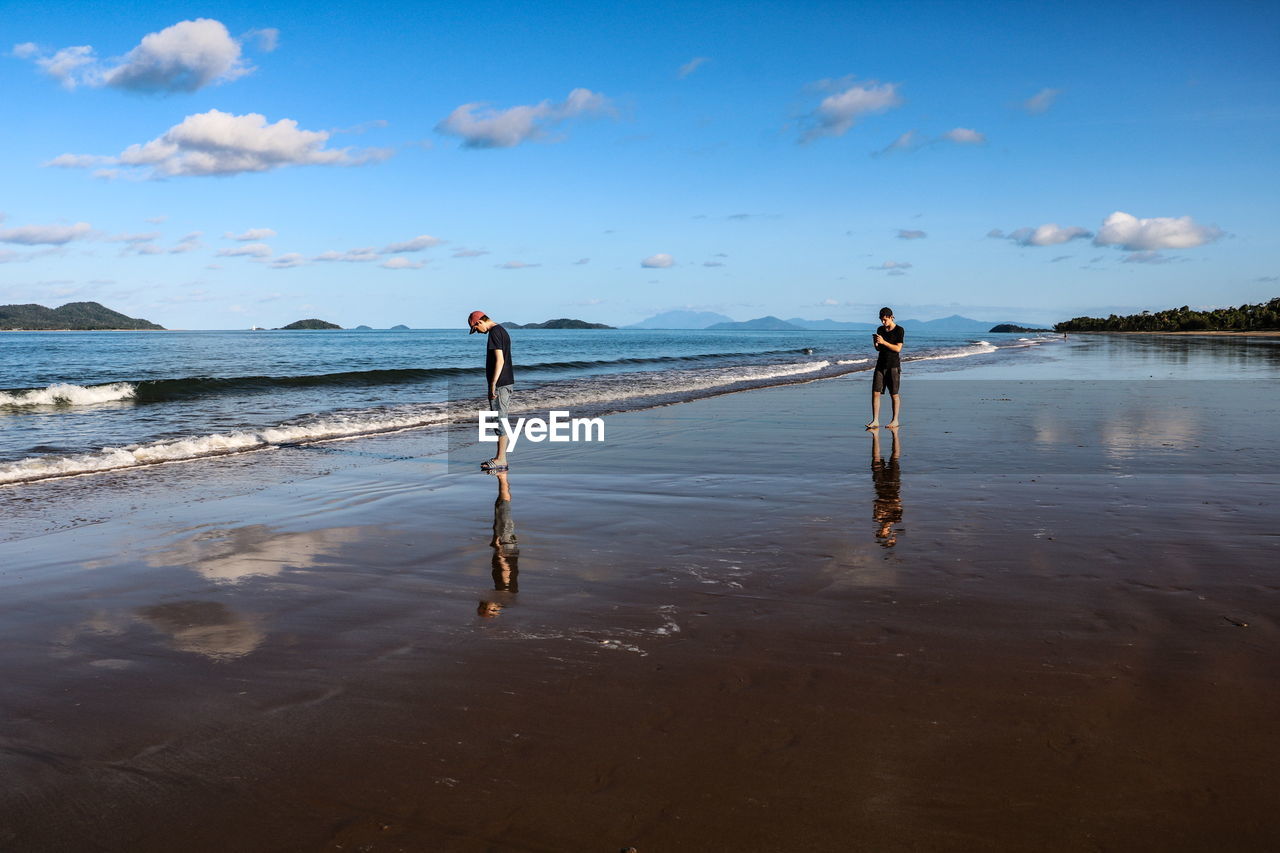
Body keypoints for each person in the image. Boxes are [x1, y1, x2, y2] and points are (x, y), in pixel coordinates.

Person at [467, 310, 514, 470]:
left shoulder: (494, 333)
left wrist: (493, 383)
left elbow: (499, 360)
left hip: (500, 384)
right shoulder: (502, 331)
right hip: (507, 382)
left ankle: (501, 459)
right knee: (502, 419)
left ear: (479, 322)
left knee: (500, 421)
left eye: (476, 329)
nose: (478, 333)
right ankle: (501, 458)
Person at [867, 306, 904, 429]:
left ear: (891, 317)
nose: (883, 322)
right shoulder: (880, 329)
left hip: (893, 366)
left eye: (885, 320)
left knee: (894, 394)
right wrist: (876, 343)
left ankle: (895, 420)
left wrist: (884, 342)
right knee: (875, 393)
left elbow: (898, 348)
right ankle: (875, 420)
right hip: (880, 365)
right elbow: (879, 349)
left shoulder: (899, 330)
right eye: (881, 320)